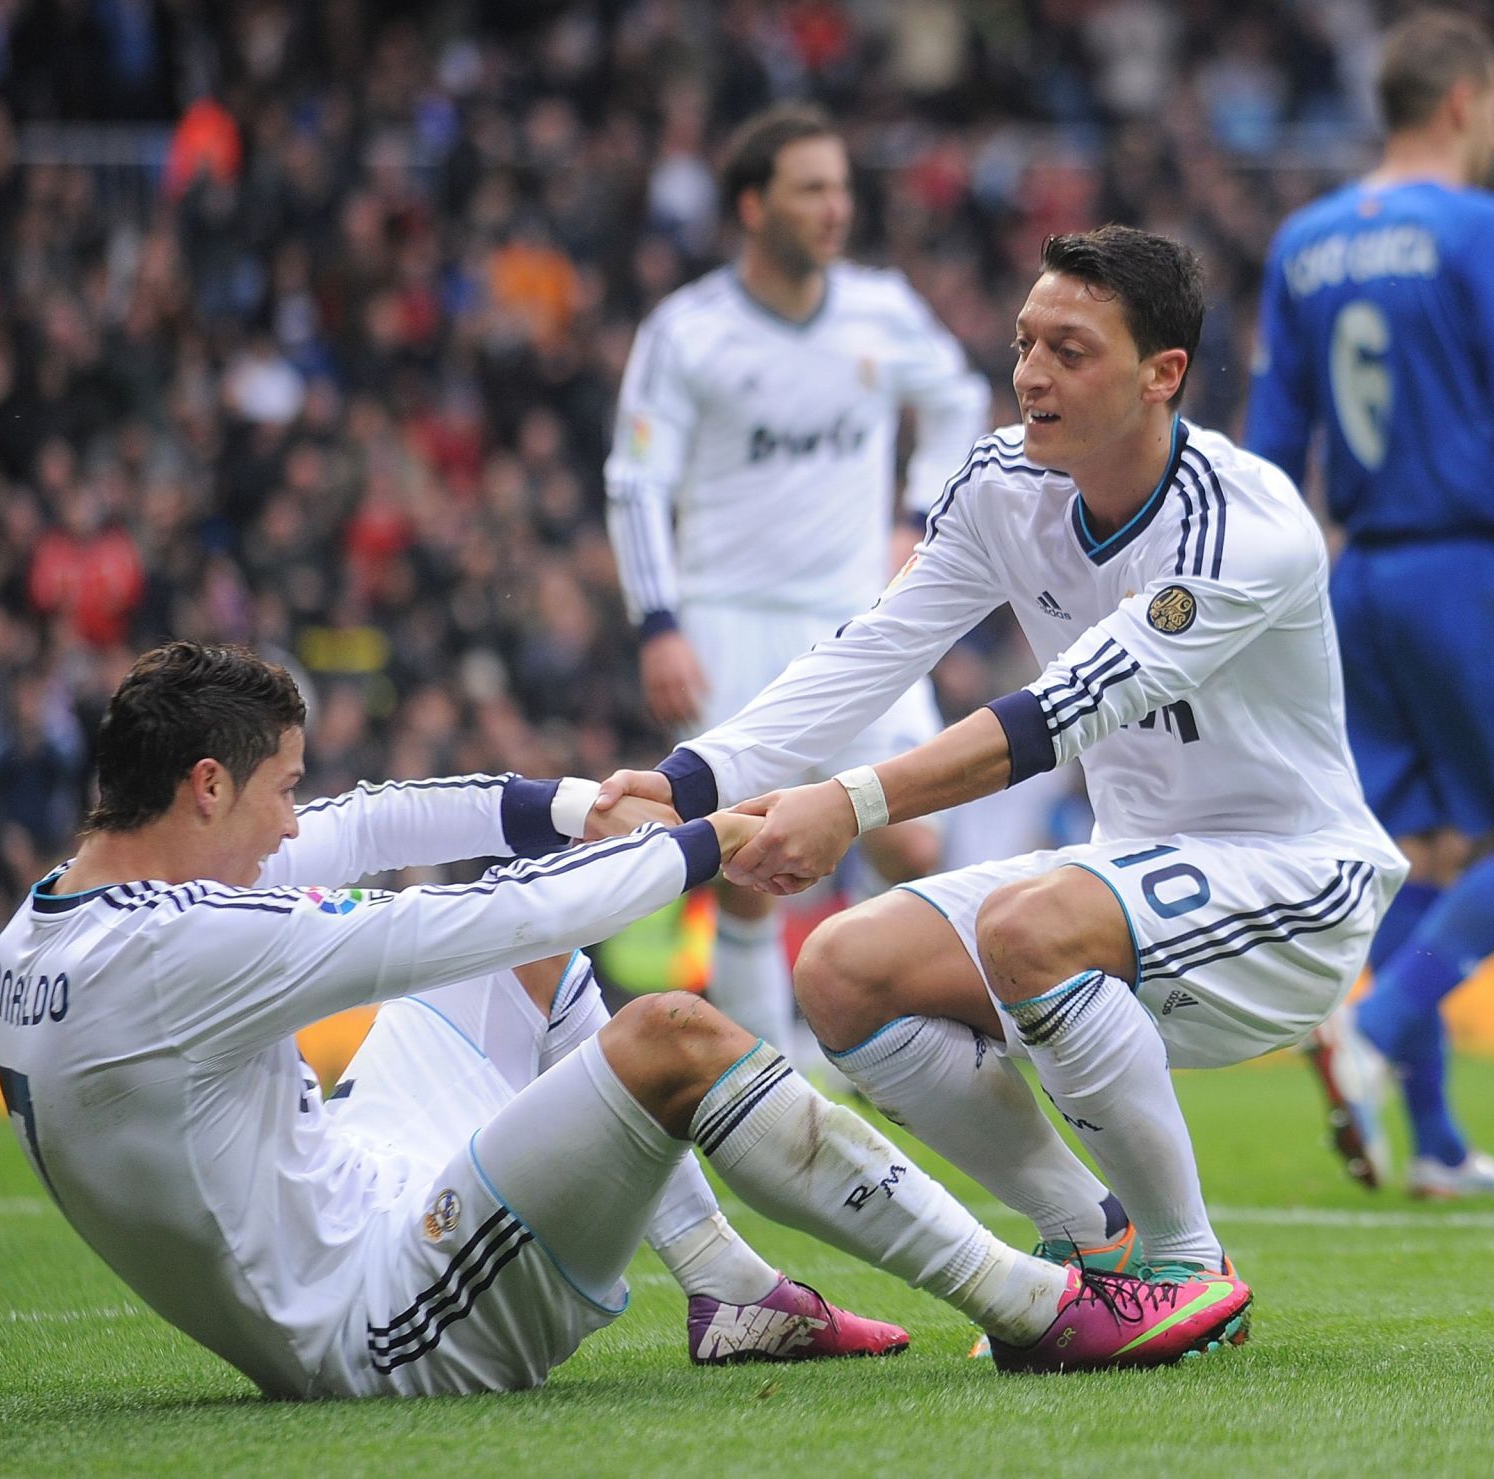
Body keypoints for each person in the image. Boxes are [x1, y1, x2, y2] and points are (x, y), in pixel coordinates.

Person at [0, 640, 1249, 1400]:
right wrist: (710, 841)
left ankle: (727, 1291)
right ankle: (1042, 1308)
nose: (293, 822)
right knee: (669, 1037)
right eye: (278, 792)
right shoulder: (184, 947)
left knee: (528, 943)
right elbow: (444, 931)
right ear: (206, 786)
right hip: (372, 1323)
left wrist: (593, 809)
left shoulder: (50, 927)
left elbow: (371, 823)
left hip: (349, 1185)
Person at [595, 225, 1408, 1294]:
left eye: (1069, 351)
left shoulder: (1244, 526)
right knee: (841, 971)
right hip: (1130, 877)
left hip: (1297, 884)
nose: (1030, 374)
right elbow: (871, 651)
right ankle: (1094, 1236)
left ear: (1163, 375)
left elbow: (1058, 713)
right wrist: (692, 779)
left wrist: (851, 803)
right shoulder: (1003, 482)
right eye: (1025, 343)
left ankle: (1183, 1265)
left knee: (1031, 927)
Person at [1243, 11, 1494, 1198]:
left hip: (1355, 575)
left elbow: (1272, 445)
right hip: (1468, 566)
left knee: (1423, 854)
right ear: (1468, 102)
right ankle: (1370, 1031)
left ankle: (1440, 1150)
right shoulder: (1486, 227)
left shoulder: (1305, 241)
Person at [604, 103, 988, 1054]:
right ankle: (773, 1091)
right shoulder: (688, 332)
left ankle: (900, 1048)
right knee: (746, 864)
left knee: (914, 841)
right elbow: (636, 479)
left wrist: (917, 514)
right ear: (751, 205)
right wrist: (658, 620)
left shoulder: (881, 309)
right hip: (728, 619)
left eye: (841, 188)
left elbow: (958, 401)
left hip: (856, 621)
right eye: (810, 189)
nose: (834, 208)